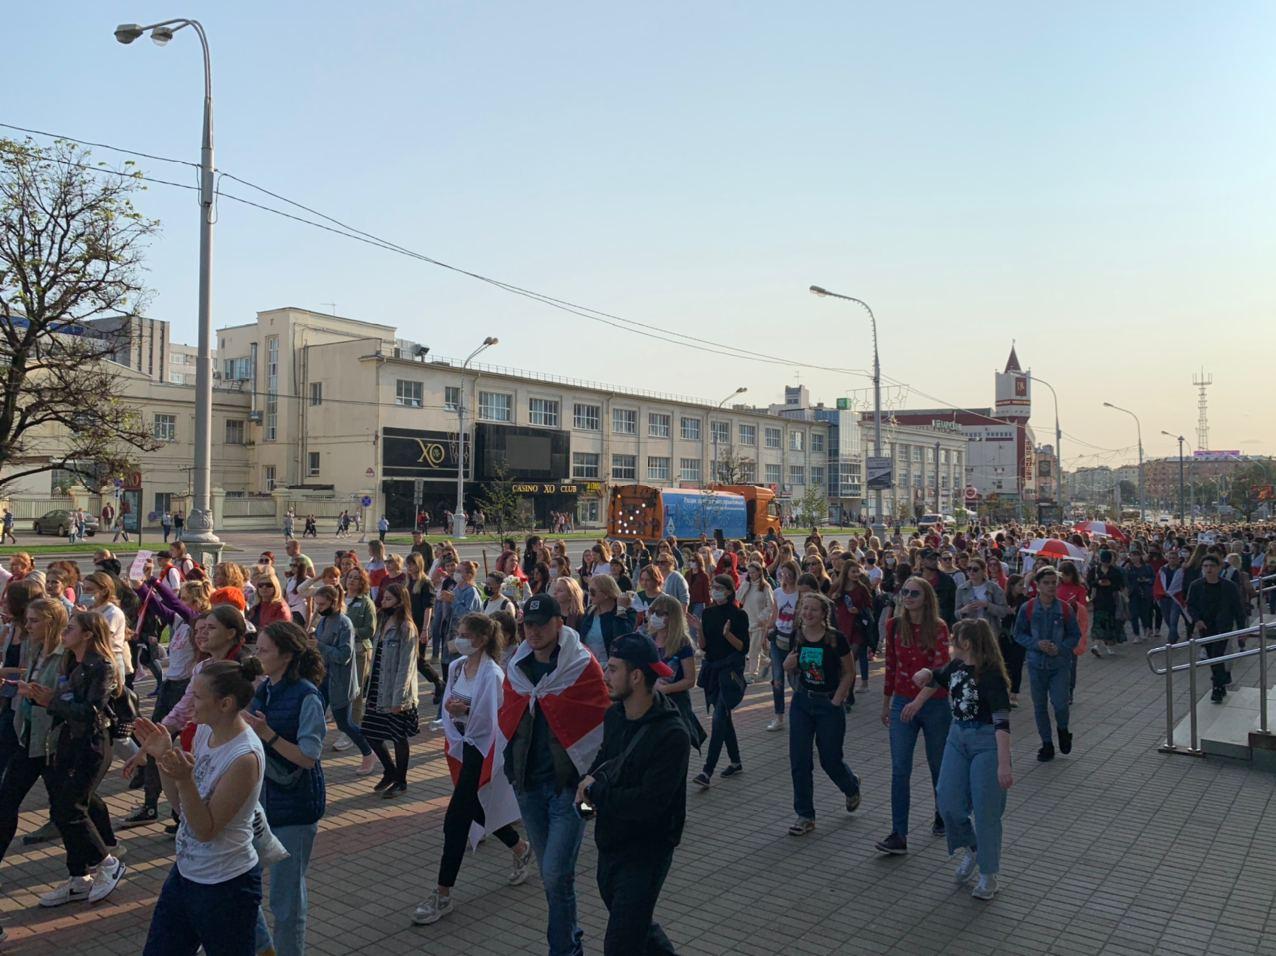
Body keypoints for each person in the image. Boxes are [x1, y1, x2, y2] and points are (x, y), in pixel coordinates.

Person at [500, 593, 610, 956]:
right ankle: (568, 941)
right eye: (527, 625)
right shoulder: (518, 667)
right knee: (554, 879)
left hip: (572, 791)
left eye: (540, 624)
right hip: (529, 788)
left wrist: (591, 790)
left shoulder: (581, 666)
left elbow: (600, 728)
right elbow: (510, 719)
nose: (532, 632)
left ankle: (564, 949)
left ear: (559, 624)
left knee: (556, 874)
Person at [136, 658, 266, 954]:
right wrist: (164, 757)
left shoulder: (244, 757)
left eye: (196, 695)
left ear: (225, 704)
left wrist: (184, 780)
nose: (189, 701)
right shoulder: (206, 732)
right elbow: (184, 811)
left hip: (226, 886)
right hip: (186, 874)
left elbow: (205, 829)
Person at [413, 614, 532, 925]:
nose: (459, 638)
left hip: (484, 751)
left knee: (456, 820)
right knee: (478, 807)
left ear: (481, 639)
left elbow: (490, 718)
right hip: (462, 747)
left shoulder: (492, 673)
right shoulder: (456, 667)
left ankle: (442, 893)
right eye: (458, 633)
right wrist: (455, 720)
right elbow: (446, 706)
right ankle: (520, 847)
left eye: (465, 634)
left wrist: (463, 712)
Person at [576, 633, 690, 955]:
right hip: (610, 844)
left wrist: (597, 792)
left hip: (646, 853)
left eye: (612, 669)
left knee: (620, 944)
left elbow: (649, 805)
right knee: (638, 928)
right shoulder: (615, 716)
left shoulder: (672, 735)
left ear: (636, 675)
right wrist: (585, 799)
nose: (604, 675)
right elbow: (600, 770)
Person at [26, 611, 127, 906]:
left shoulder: (102, 666)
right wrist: (40, 695)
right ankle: (78, 878)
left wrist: (51, 701)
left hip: (93, 744)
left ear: (87, 634)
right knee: (65, 805)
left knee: (69, 808)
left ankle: (107, 863)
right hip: (71, 740)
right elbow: (68, 701)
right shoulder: (74, 661)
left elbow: (91, 711)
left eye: (71, 628)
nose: (64, 632)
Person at [911, 618, 1014, 901]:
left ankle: (988, 873)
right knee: (948, 802)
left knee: (986, 811)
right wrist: (920, 687)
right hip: (957, 737)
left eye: (953, 638)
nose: (949, 643)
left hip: (986, 743)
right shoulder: (956, 666)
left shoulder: (990, 675)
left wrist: (1004, 764)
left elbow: (1002, 722)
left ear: (966, 643)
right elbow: (937, 677)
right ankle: (973, 848)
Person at [246, 621, 328, 956]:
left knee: (286, 900)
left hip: (294, 807)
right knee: (246, 890)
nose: (257, 654)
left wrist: (268, 735)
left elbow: (308, 757)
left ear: (287, 655)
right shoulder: (264, 689)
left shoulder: (306, 695)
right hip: (262, 804)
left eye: (264, 650)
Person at [877, 576, 951, 856]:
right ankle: (899, 833)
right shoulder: (894, 625)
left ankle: (942, 813)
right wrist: (887, 704)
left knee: (938, 765)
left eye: (914, 593)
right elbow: (891, 668)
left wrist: (918, 703)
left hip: (934, 705)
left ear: (926, 598)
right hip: (902, 703)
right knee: (900, 769)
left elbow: (940, 670)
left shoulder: (939, 628)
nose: (907, 597)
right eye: (904, 592)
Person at [784, 592, 862, 836]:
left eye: (813, 609)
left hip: (828, 704)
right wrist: (788, 664)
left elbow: (849, 672)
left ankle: (851, 786)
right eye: (804, 608)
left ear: (823, 614)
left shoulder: (835, 639)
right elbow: (792, 665)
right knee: (799, 760)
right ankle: (805, 815)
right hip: (802, 702)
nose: (807, 613)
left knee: (830, 759)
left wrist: (838, 698)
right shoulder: (797, 636)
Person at [1013, 567, 1081, 762]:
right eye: (1046, 583)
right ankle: (1047, 744)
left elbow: (1075, 635)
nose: (1051, 586)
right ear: (1038, 585)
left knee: (1060, 704)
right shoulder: (1028, 608)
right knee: (1040, 706)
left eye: (1054, 582)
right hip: (1036, 665)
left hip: (1059, 665)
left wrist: (1060, 648)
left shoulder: (1065, 609)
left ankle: (1062, 730)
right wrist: (1036, 644)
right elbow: (1018, 633)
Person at [311, 585, 377, 776]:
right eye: (317, 604)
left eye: (322, 604)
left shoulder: (344, 623)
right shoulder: (324, 621)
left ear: (333, 602)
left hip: (340, 681)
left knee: (344, 723)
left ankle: (368, 752)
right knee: (315, 717)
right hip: (323, 678)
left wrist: (320, 646)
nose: (319, 608)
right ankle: (311, 754)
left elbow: (344, 655)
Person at [691, 575, 750, 790]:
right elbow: (705, 646)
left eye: (718, 588)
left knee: (718, 718)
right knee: (724, 718)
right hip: (713, 671)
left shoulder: (739, 615)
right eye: (712, 587)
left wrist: (727, 635)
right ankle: (735, 762)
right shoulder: (708, 613)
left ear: (728, 591)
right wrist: (699, 630)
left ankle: (707, 771)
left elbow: (743, 647)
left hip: (730, 672)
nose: (714, 591)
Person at [363, 582, 419, 797]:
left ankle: (401, 780)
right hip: (378, 687)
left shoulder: (406, 627)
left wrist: (400, 698)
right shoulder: (384, 621)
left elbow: (407, 666)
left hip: (396, 691)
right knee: (370, 732)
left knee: (398, 736)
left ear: (399, 601)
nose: (383, 602)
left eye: (388, 599)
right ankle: (390, 770)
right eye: (383, 598)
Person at [644, 594, 706, 750]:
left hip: (675, 706)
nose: (654, 616)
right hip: (650, 705)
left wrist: (666, 689)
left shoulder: (682, 643)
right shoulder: (648, 640)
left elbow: (690, 680)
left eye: (660, 613)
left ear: (672, 617)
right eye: (653, 612)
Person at [1187, 554, 1248, 704]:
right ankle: (1222, 682)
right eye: (1205, 566)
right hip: (1206, 627)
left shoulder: (1229, 586)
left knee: (1216, 655)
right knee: (1212, 657)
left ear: (1219, 568)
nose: (1208, 569)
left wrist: (1242, 631)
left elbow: (1238, 609)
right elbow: (1191, 605)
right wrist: (1197, 620)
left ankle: (1216, 687)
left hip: (1223, 627)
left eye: (1212, 566)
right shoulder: (1196, 585)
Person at [765, 561, 800, 732]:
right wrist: (767, 631)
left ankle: (799, 714)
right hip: (777, 638)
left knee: (796, 680)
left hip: (793, 641)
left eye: (788, 573)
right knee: (777, 679)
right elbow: (774, 614)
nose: (785, 576)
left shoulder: (800, 594)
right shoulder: (777, 592)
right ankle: (779, 717)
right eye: (782, 573)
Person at [578, 575, 637, 664]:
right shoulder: (590, 611)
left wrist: (621, 610)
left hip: (612, 666)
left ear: (606, 594)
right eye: (589, 590)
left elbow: (622, 638)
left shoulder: (628, 612)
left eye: (593, 592)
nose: (590, 595)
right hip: (589, 664)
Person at [736, 561, 775, 683]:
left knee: (754, 650)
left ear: (759, 572)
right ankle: (769, 662)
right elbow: (738, 599)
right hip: (747, 620)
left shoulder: (765, 586)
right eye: (750, 572)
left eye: (754, 572)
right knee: (750, 649)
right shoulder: (746, 584)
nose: (751, 575)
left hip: (759, 623)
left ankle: (753, 674)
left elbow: (771, 605)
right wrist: (745, 586)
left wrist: (762, 618)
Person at [1087, 548, 1126, 657]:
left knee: (1109, 624)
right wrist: (1098, 582)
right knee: (1099, 623)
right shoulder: (1095, 570)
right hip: (1098, 600)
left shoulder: (1115, 571)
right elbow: (1089, 582)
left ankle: (1105, 646)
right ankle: (1097, 646)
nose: (1105, 563)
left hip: (1111, 600)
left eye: (1107, 561)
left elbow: (1120, 585)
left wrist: (1110, 584)